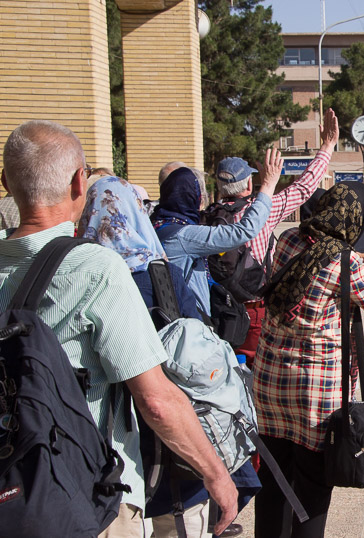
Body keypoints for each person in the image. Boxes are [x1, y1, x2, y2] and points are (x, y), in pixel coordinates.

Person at [0, 119, 237, 536]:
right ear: (79, 183)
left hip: (10, 483)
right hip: (87, 490)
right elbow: (156, 400)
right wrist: (215, 473)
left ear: (5, 181)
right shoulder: (96, 267)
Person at [252, 181, 364, 537]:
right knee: (312, 490)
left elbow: (310, 262)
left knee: (273, 481)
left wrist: (355, 262)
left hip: (269, 384)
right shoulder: (346, 262)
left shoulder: (287, 240)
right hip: (316, 398)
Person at [213, 108, 339, 364]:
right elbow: (304, 187)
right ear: (249, 185)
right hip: (255, 311)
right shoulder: (260, 214)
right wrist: (327, 146)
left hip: (218, 308)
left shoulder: (206, 218)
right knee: (258, 371)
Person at [150, 148, 283, 316]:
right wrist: (268, 185)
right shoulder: (184, 236)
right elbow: (244, 231)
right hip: (189, 319)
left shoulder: (155, 224)